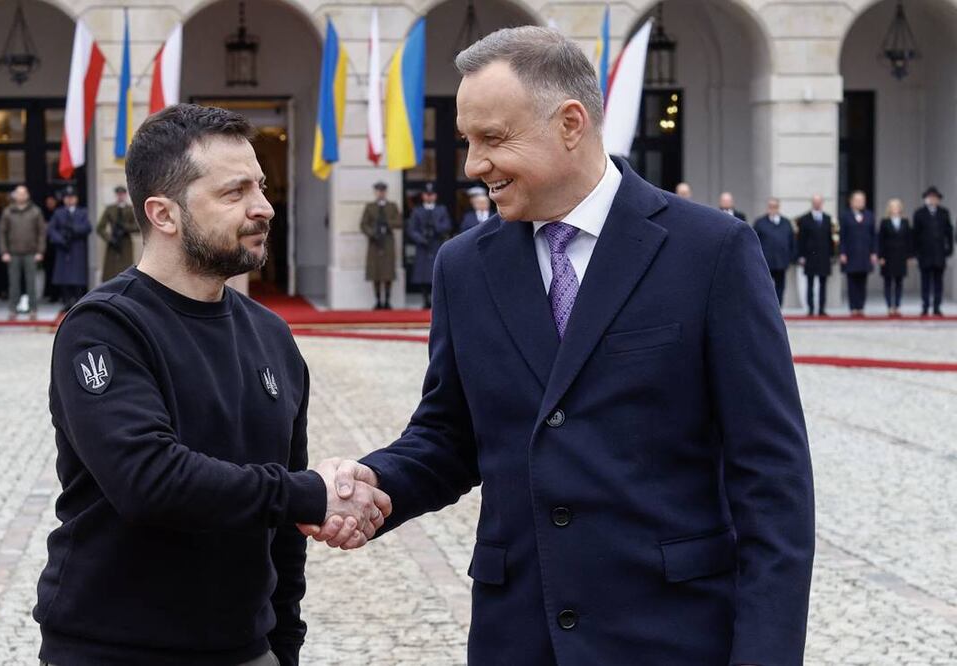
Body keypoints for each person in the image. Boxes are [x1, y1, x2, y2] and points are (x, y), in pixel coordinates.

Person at [304, 27, 814, 665]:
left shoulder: (711, 251)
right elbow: (449, 436)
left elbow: (772, 480)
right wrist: (375, 483)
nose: (473, 165)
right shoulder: (463, 266)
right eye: (467, 141)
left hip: (673, 635)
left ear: (571, 123)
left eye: (493, 139)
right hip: (519, 636)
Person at [34, 104, 390, 666]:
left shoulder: (272, 335)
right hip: (113, 650)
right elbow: (149, 480)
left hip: (245, 649)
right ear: (164, 214)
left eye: (261, 187)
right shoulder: (105, 327)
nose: (263, 207)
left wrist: (283, 645)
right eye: (234, 192)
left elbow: (283, 534)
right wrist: (310, 493)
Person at [0, 185, 46, 320]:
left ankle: (33, 310)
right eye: (18, 193)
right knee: (14, 283)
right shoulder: (8, 212)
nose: (21, 196)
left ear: (27, 195)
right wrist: (4, 251)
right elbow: (2, 233)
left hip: (31, 253)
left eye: (23, 193)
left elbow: (42, 233)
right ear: (15, 196)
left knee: (31, 283)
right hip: (13, 253)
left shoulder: (35, 211)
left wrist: (40, 251)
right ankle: (13, 310)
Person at [406, 183, 452, 308]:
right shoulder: (417, 210)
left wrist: (437, 227)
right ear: (423, 196)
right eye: (427, 194)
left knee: (436, 273)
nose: (429, 197)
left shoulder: (441, 209)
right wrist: (420, 239)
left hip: (436, 243)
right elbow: (411, 229)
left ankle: (435, 300)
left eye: (431, 194)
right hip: (423, 245)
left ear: (435, 196)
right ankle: (425, 298)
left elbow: (447, 224)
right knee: (422, 273)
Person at [359, 181, 403, 310]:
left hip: (388, 241)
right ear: (375, 192)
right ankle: (378, 300)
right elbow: (363, 224)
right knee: (375, 272)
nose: (381, 193)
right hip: (375, 242)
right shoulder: (370, 207)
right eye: (378, 191)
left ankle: (387, 300)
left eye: (383, 191)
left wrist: (387, 223)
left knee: (388, 272)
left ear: (386, 192)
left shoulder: (392, 206)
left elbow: (399, 222)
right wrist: (372, 233)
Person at [49, 186, 92, 312]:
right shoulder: (58, 213)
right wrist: (60, 239)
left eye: (72, 197)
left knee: (78, 277)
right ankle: (67, 301)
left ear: (76, 199)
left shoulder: (82, 212)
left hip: (77, 247)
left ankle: (79, 300)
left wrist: (74, 230)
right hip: (63, 248)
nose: (69, 200)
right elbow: (51, 229)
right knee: (64, 277)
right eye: (67, 197)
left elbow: (87, 227)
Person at [912, 186, 954, 316]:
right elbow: (915, 235)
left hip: (939, 253)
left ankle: (937, 306)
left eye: (935, 198)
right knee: (925, 282)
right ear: (926, 199)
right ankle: (925, 306)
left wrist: (949, 249)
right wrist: (915, 253)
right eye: (930, 197)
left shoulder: (944, 213)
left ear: (938, 199)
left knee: (938, 282)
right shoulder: (919, 213)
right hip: (924, 253)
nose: (932, 200)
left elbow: (949, 233)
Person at [796, 194, 836, 316]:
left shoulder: (828, 218)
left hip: (824, 256)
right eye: (815, 202)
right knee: (810, 283)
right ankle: (811, 308)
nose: (817, 204)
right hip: (810, 256)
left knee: (823, 284)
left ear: (822, 203)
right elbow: (801, 239)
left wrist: (832, 255)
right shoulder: (804, 219)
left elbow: (831, 239)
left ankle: (822, 309)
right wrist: (801, 256)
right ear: (812, 203)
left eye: (819, 202)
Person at [752, 197, 796, 306]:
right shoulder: (760, 223)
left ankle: (778, 308)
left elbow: (792, 241)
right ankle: (766, 308)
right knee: (765, 287)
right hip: (765, 262)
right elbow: (753, 242)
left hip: (781, 261)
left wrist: (791, 257)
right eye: (770, 206)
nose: (773, 209)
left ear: (778, 208)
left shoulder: (786, 222)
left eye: (775, 207)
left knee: (780, 287)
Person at [839, 190, 877, 317]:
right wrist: (842, 252)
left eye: (862, 200)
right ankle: (853, 307)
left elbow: (873, 235)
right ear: (851, 202)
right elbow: (842, 236)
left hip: (865, 253)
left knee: (862, 281)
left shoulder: (869, 215)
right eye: (857, 200)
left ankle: (861, 306)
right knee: (852, 282)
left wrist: (874, 252)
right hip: (850, 254)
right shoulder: (845, 216)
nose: (860, 202)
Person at [878, 198, 913, 317]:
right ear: (889, 209)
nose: (895, 209)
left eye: (897, 206)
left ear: (900, 208)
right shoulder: (884, 222)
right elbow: (880, 240)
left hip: (901, 256)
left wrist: (909, 256)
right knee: (888, 282)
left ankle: (897, 306)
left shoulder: (905, 222)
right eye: (892, 207)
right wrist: (881, 256)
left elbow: (909, 240)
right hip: (888, 256)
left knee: (899, 282)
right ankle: (889, 306)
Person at [96, 185, 139, 282]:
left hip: (126, 242)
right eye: (119, 194)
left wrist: (125, 227)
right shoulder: (110, 209)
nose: (120, 196)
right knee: (111, 270)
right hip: (113, 242)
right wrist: (109, 238)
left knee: (126, 268)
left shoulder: (131, 209)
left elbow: (137, 227)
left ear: (126, 195)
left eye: (122, 194)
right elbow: (100, 228)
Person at [43, 193, 61, 303]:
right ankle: (50, 294)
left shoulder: (59, 212)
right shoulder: (43, 213)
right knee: (49, 272)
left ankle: (59, 294)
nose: (49, 204)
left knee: (59, 272)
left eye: (51, 202)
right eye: (47, 202)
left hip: (58, 247)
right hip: (47, 248)